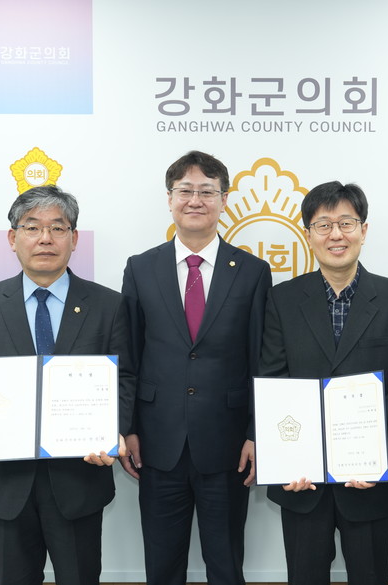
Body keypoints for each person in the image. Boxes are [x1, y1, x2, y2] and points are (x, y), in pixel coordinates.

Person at [0, 184, 136, 585]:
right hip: (6, 483)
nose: (45, 238)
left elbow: (125, 379)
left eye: (58, 228)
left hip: (79, 479)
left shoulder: (109, 304)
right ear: (13, 238)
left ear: (74, 238)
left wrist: (111, 432)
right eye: (32, 227)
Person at [259, 181, 388, 585]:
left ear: (363, 231)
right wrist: (288, 456)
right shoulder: (282, 300)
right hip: (302, 482)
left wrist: (375, 453)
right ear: (308, 234)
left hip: (371, 480)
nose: (336, 234)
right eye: (324, 225)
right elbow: (273, 380)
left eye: (346, 223)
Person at [120, 150, 272, 585]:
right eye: (185, 190)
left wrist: (255, 433)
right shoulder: (141, 268)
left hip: (227, 445)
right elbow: (128, 356)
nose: (195, 200)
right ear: (169, 199)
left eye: (207, 191)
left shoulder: (252, 272)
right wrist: (127, 428)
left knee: (226, 564)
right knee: (162, 565)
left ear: (224, 200)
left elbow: (262, 361)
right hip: (157, 444)